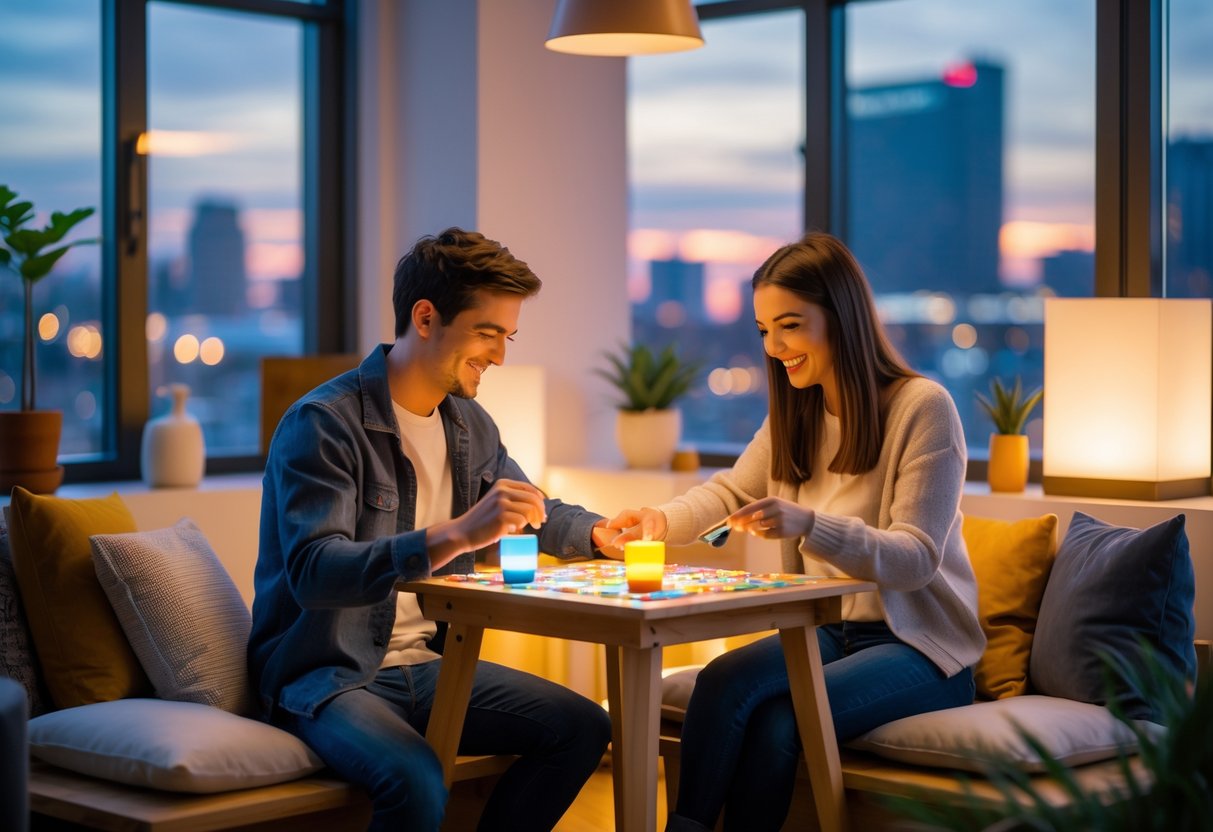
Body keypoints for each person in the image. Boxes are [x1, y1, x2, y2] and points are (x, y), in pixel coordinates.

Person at [605, 232, 986, 832]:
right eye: (763, 330)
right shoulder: (797, 411)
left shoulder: (922, 408)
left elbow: (916, 558)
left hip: (921, 649)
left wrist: (812, 525)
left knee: (782, 719)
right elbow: (730, 491)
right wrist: (660, 520)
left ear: (841, 318)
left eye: (790, 325)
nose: (775, 346)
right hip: (828, 632)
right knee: (722, 679)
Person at [247, 228, 614, 832]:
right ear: (425, 317)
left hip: (430, 666)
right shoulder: (323, 424)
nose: (499, 355)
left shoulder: (470, 423)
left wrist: (601, 534)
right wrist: (459, 535)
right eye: (487, 333)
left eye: (508, 336)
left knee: (584, 728)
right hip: (327, 676)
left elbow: (529, 505)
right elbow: (315, 572)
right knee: (416, 778)